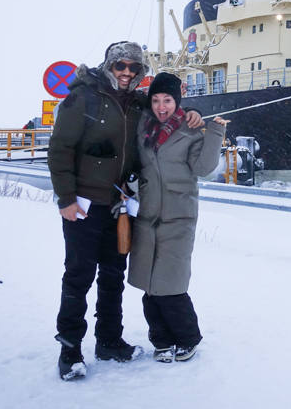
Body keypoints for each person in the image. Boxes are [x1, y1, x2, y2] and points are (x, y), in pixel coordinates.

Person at [47, 41, 202, 381]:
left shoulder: (137, 104)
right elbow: (60, 149)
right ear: (109, 66)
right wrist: (66, 198)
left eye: (134, 67)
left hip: (120, 206)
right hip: (85, 205)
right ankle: (70, 349)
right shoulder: (82, 98)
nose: (127, 72)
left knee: (113, 275)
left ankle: (109, 340)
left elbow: (167, 107)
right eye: (121, 66)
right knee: (79, 276)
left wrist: (191, 114)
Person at [128, 71, 227, 363]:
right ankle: (160, 340)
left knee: (170, 285)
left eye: (168, 100)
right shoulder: (142, 126)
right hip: (146, 216)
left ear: (177, 101)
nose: (161, 106)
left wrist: (216, 133)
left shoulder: (190, 131)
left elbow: (203, 169)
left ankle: (187, 338)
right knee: (149, 284)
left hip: (179, 217)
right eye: (156, 100)